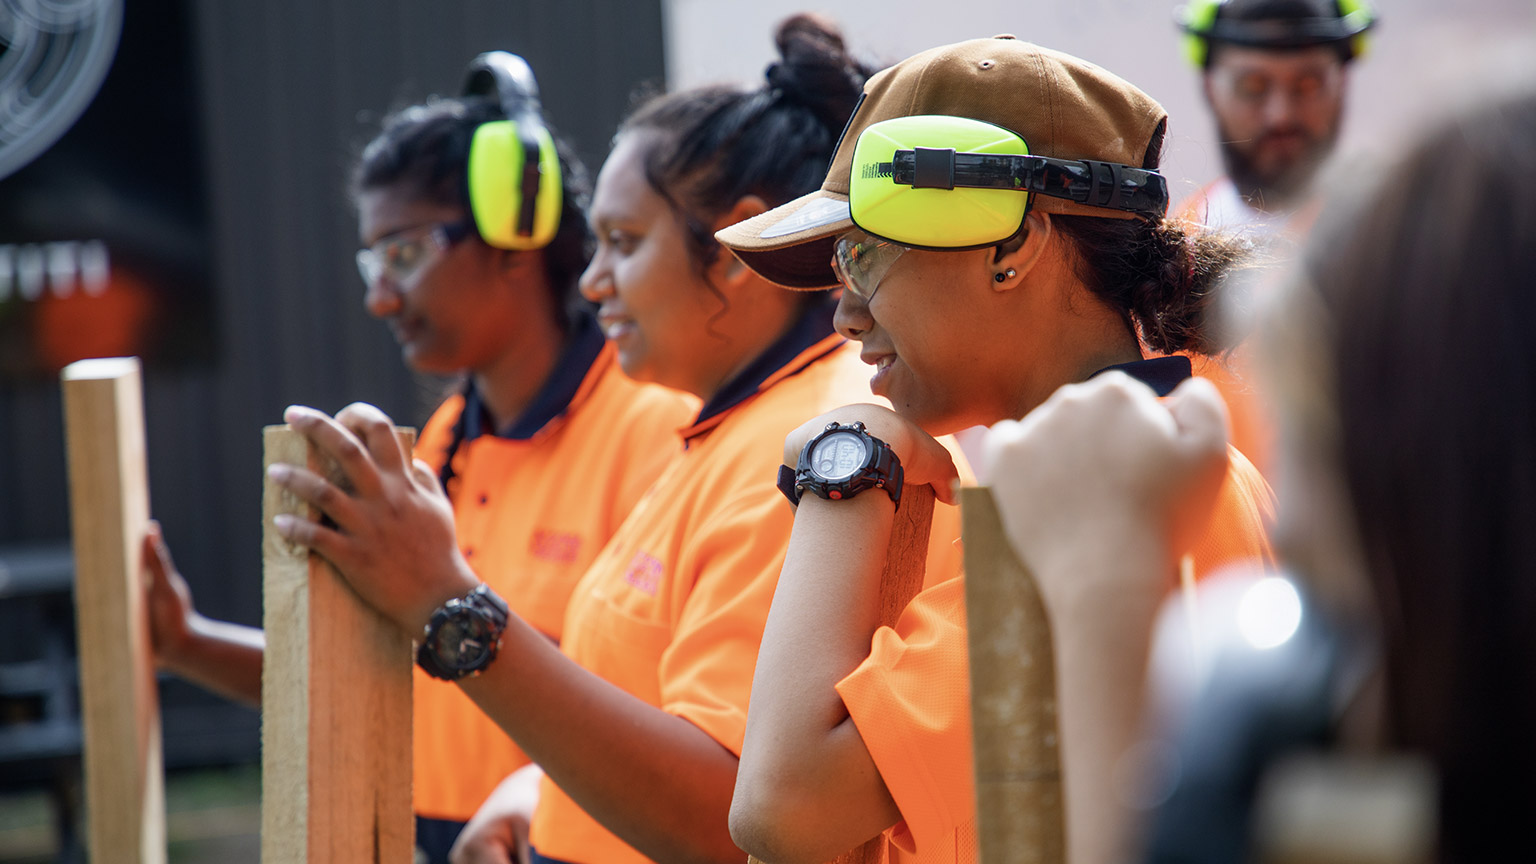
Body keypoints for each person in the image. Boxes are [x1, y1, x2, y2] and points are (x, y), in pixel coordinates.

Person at [265, 16, 901, 864]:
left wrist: (445, 601)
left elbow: (732, 816)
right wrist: (545, 788)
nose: (593, 280)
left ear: (731, 251)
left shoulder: (801, 450)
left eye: (624, 244)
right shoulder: (726, 429)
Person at [715, 35, 1276, 864]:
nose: (845, 316)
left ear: (1014, 247)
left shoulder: (1099, 501)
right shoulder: (1144, 467)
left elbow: (780, 810)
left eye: (862, 257)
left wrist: (847, 465)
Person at [142, 54, 697, 864]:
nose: (379, 297)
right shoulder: (441, 444)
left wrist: (536, 790)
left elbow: (676, 725)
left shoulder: (654, 433)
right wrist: (186, 642)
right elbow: (367, 678)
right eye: (374, 262)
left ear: (517, 229)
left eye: (403, 254)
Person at [978, 66, 1536, 864]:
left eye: (1306, 427)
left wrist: (1103, 602)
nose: (1293, 515)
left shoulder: (1282, 712)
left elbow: (780, 806)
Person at [1170, 0, 1378, 475]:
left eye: (1308, 84)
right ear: (1209, 86)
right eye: (1252, 86)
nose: (1280, 114)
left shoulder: (1395, 247)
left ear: (1342, 82)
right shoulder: (1164, 256)